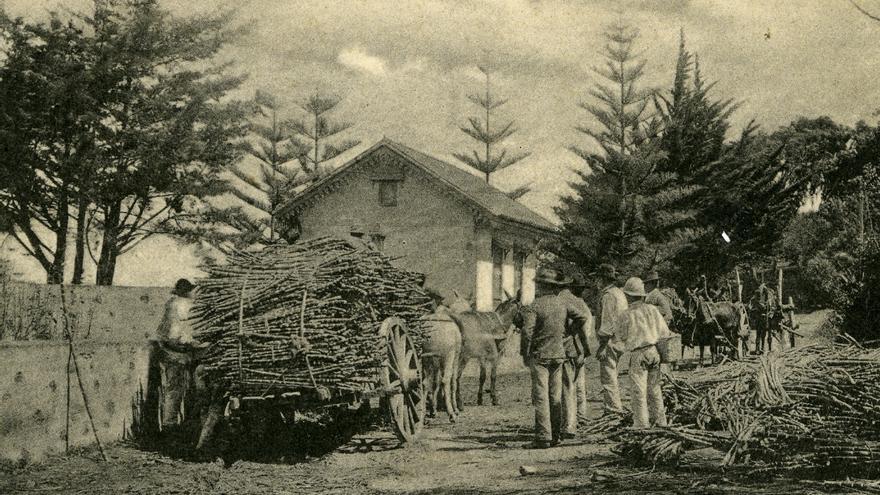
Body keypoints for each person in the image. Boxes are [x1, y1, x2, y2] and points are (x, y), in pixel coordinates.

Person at [519, 268, 591, 448]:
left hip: (540, 356)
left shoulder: (534, 306)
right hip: (559, 355)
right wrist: (569, 331)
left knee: (541, 396)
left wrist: (525, 353)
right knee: (556, 396)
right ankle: (556, 435)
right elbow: (582, 317)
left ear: (542, 286)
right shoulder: (562, 303)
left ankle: (543, 436)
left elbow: (527, 332)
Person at [610, 277, 674, 429]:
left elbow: (620, 337)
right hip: (654, 352)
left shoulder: (626, 315)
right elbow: (664, 335)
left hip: (638, 354)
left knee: (638, 391)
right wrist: (665, 360)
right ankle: (660, 421)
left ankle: (641, 424)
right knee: (655, 389)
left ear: (629, 296)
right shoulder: (653, 310)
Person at [155, 278, 204, 428]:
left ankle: (173, 425)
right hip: (179, 352)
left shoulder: (171, 303)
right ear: (187, 292)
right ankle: (172, 425)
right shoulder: (182, 305)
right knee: (178, 389)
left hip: (173, 351)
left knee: (176, 390)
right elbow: (175, 335)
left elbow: (164, 334)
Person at [558, 277, 593, 438]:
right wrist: (585, 350)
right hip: (580, 348)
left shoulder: (562, 301)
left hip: (570, 347)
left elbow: (578, 328)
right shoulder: (583, 304)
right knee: (578, 385)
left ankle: (568, 424)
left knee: (566, 387)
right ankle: (581, 418)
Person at [594, 264, 628, 414]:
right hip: (621, 339)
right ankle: (614, 407)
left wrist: (602, 344)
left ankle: (613, 410)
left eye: (597, 279)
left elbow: (608, 322)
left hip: (610, 340)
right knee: (613, 375)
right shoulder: (620, 293)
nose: (595, 282)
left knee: (608, 377)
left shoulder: (608, 296)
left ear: (602, 279)